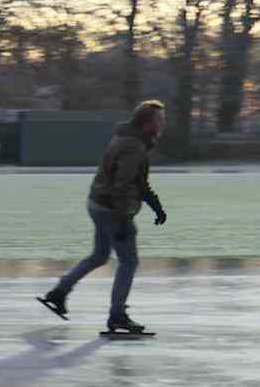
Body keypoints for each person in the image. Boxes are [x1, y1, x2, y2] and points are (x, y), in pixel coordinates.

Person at [38, 100, 168, 333]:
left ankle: (58, 293)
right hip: (111, 208)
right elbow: (123, 184)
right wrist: (120, 220)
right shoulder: (134, 145)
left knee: (99, 255)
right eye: (160, 119)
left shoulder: (129, 138)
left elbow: (137, 182)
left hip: (97, 203)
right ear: (148, 123)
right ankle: (117, 315)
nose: (163, 123)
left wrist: (155, 205)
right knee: (129, 261)